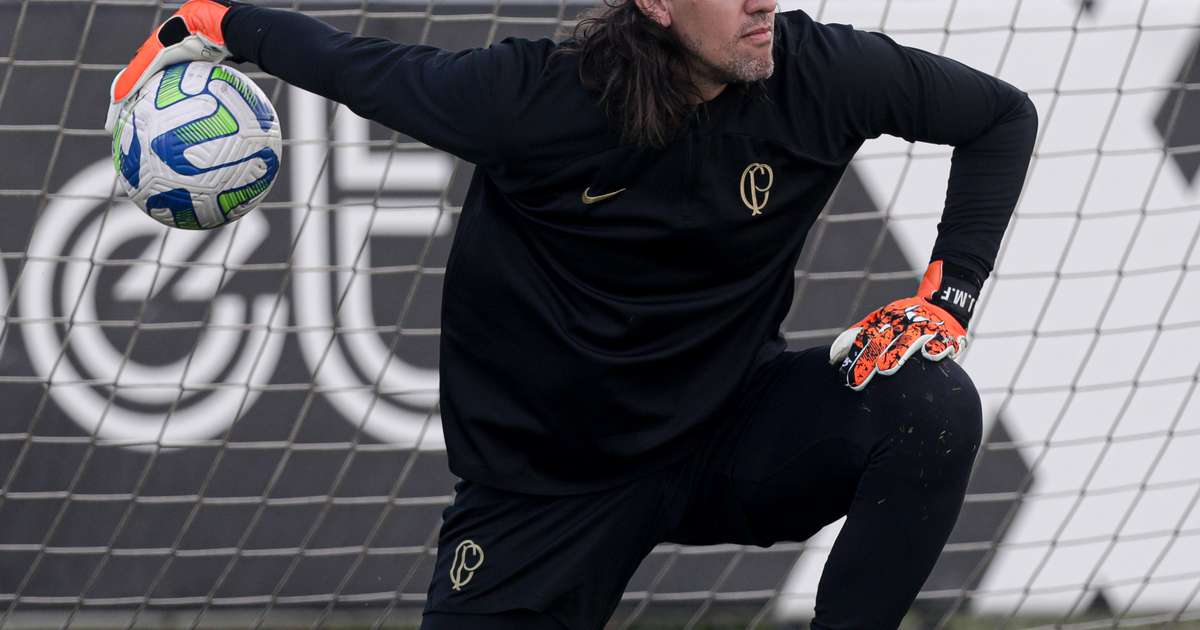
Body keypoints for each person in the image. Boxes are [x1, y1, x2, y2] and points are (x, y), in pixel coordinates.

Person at [107, 0, 1037, 626]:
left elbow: (1001, 118)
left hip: (730, 432)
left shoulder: (821, 72)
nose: (763, 0)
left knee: (930, 402)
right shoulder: (537, 99)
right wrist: (212, 21)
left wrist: (945, 299)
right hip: (547, 490)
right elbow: (362, 68)